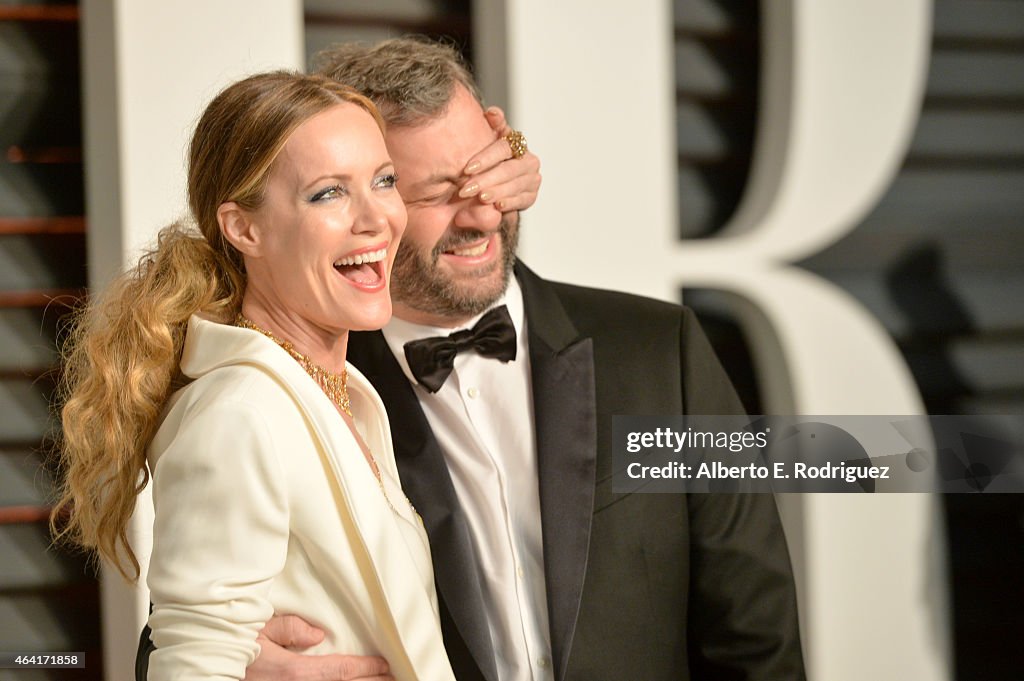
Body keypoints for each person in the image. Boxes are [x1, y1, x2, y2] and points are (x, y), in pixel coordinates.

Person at [138, 38, 806, 680]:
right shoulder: (313, 391)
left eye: (485, 174)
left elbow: (757, 631)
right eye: (431, 192)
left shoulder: (663, 352)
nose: (480, 215)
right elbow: (197, 625)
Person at [53, 71, 475, 681]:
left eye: (384, 181)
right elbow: (192, 666)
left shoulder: (338, 393)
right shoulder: (240, 411)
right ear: (244, 228)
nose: (377, 219)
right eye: (328, 193)